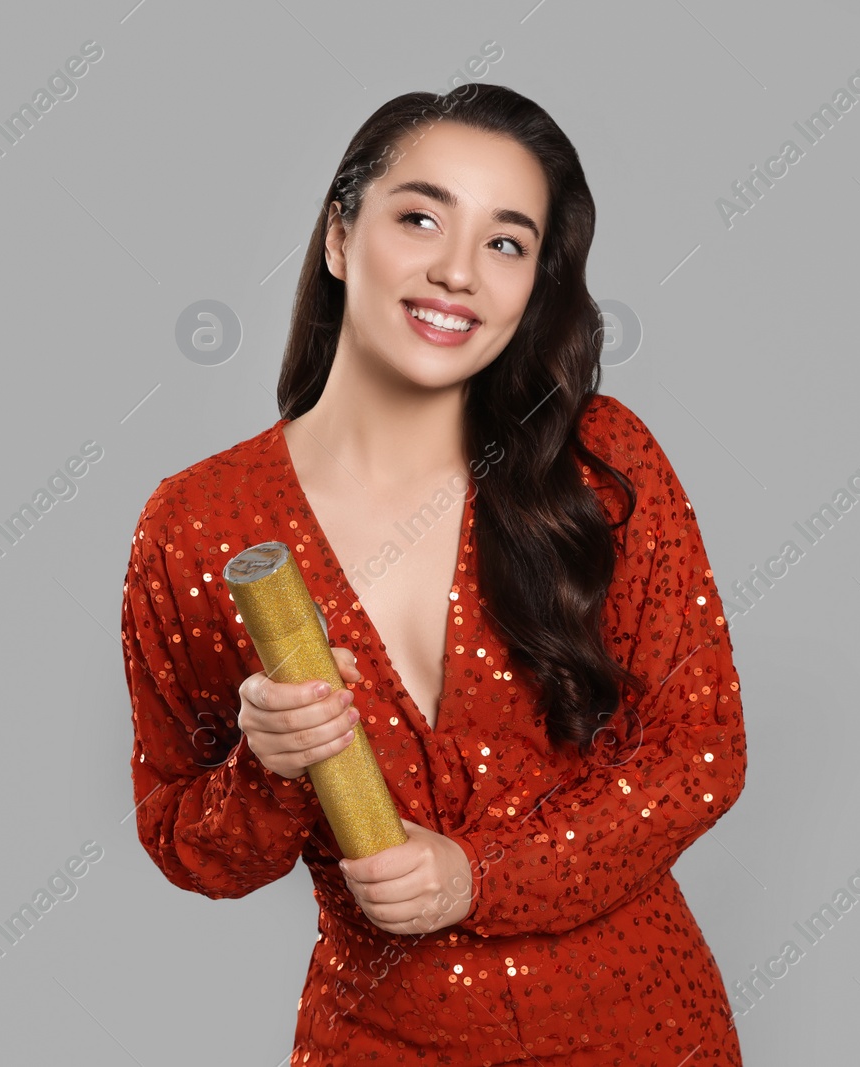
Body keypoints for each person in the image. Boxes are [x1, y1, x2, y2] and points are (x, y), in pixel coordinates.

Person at [122, 83, 747, 1064]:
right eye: (420, 217)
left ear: (535, 281)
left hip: (641, 1027)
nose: (456, 271)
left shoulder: (600, 468)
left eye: (505, 241)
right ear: (339, 235)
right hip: (379, 1038)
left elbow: (697, 754)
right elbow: (190, 843)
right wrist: (271, 766)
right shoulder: (201, 525)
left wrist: (479, 875)